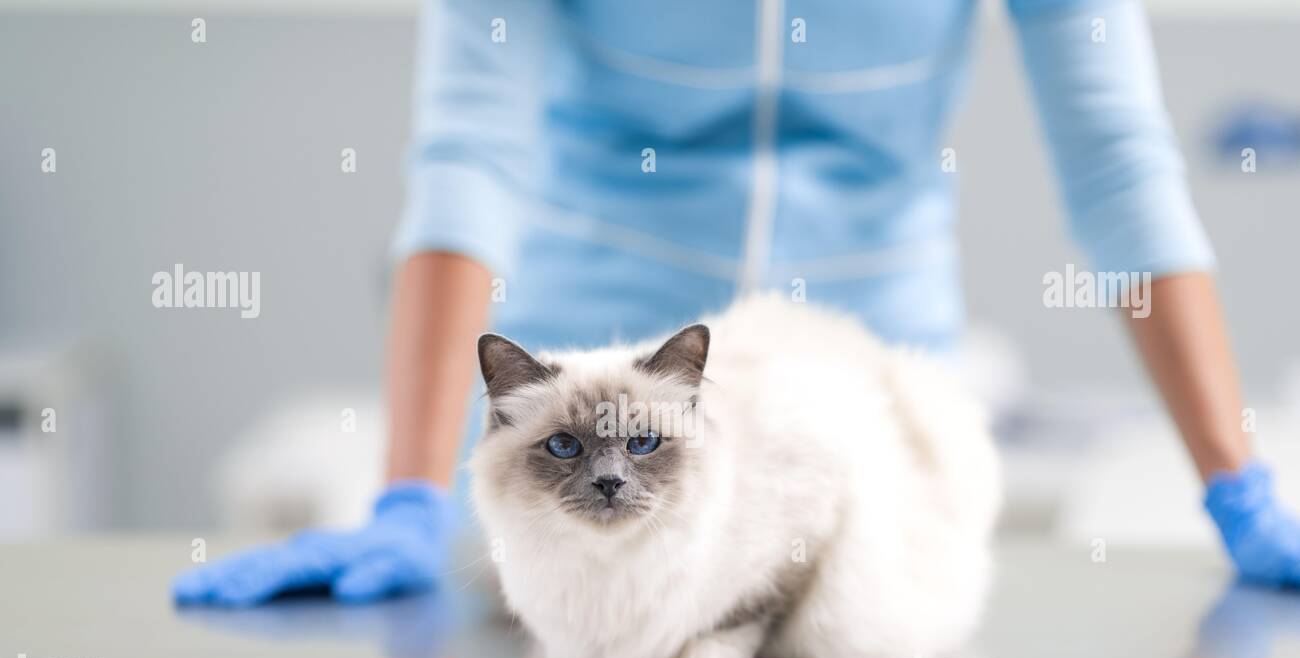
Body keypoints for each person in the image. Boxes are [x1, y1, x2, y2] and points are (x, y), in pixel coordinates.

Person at [173, 0, 1300, 607]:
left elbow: (1115, 172)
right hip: (591, 405)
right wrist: (412, 496)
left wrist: (1236, 488)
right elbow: (467, 159)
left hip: (866, 414)